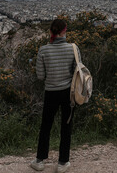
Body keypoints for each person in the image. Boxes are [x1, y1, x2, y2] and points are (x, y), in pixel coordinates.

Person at [30, 18, 80, 173]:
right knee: (66, 126)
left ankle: (39, 161)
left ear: (51, 32)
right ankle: (62, 163)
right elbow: (76, 72)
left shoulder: (43, 50)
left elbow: (40, 75)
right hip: (68, 93)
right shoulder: (73, 48)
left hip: (50, 92)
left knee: (46, 126)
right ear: (64, 31)